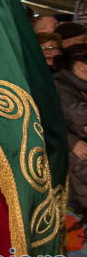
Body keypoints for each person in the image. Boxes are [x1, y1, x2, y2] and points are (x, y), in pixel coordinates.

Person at [55, 45, 87, 212]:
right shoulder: (62, 86)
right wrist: (72, 141)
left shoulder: (79, 85)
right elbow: (82, 121)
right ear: (80, 66)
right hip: (77, 163)